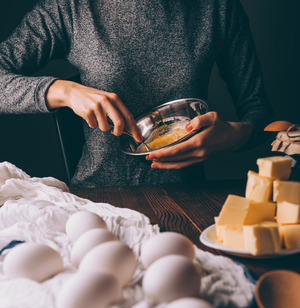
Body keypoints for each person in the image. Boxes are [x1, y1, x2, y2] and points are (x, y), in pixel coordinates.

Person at [0, 0, 274, 187]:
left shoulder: (218, 8)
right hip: (98, 198)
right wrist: (61, 90)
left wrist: (236, 135)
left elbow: (261, 114)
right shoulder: (70, 8)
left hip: (190, 198)